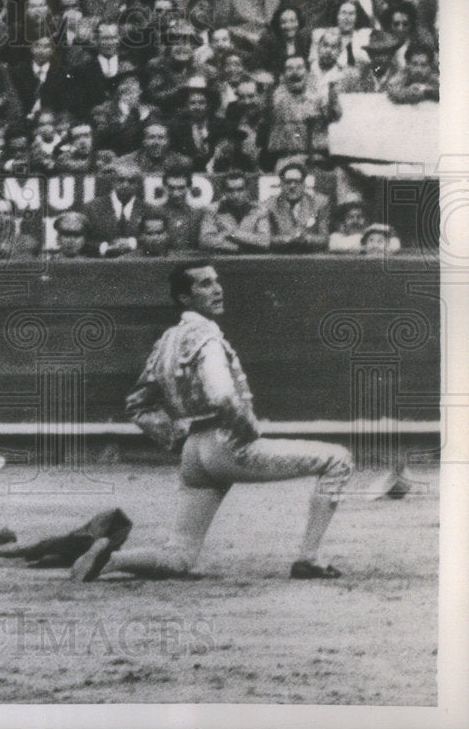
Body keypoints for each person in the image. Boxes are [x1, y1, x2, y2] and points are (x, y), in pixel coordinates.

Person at [71, 261, 353, 582]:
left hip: (194, 453)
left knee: (180, 556)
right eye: (204, 284)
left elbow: (137, 404)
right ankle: (310, 560)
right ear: (184, 298)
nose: (217, 289)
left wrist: (177, 437)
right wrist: (246, 429)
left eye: (216, 281)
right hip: (227, 444)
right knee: (338, 459)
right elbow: (221, 395)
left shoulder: (167, 341)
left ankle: (111, 560)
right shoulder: (207, 337)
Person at [238, 162, 331, 252]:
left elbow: (324, 238)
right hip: (281, 256)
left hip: (311, 256)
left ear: (304, 184)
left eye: (297, 182)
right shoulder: (270, 204)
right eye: (288, 182)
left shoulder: (319, 202)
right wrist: (283, 239)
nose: (292, 186)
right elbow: (264, 239)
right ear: (281, 184)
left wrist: (306, 238)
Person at [81, 159, 144, 257]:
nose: (125, 185)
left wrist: (132, 243)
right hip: (99, 265)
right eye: (121, 180)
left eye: (131, 181)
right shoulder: (92, 208)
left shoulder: (148, 210)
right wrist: (104, 248)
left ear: (138, 185)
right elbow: (81, 240)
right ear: (113, 181)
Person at [197, 169, 261, 253]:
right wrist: (239, 249)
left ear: (247, 190)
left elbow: (264, 241)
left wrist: (231, 233)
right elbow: (206, 241)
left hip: (254, 263)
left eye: (240, 190)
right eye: (230, 190)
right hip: (224, 262)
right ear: (223, 191)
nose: (235, 195)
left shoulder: (259, 210)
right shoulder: (212, 210)